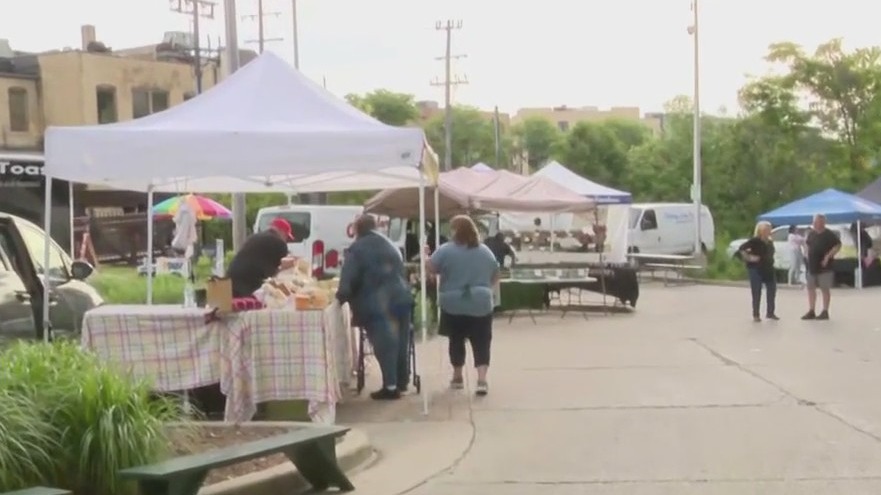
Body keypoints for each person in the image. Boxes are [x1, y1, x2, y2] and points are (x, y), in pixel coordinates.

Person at [336, 214, 413, 400]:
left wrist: (341, 296)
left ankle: (391, 386)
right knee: (402, 340)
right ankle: (402, 380)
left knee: (384, 343)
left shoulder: (358, 248)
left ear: (356, 229)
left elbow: (349, 277)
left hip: (377, 302)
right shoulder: (390, 244)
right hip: (401, 297)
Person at [427, 215, 500, 396]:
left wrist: (426, 255)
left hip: (453, 302)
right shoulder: (485, 251)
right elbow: (495, 273)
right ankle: (482, 380)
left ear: (455, 231)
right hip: (481, 302)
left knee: (456, 339)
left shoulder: (446, 250)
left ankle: (458, 376)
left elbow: (431, 267)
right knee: (482, 341)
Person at [227, 217, 295, 297]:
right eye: (286, 236)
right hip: (249, 283)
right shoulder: (279, 243)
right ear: (282, 232)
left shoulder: (255, 237)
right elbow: (282, 271)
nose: (286, 240)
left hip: (231, 278)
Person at [802, 214, 841, 320]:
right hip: (811, 265)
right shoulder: (811, 234)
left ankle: (825, 311)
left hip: (825, 266)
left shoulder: (829, 234)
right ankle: (811, 310)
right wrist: (806, 253)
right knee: (811, 289)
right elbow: (807, 244)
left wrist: (828, 256)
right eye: (814, 222)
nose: (815, 224)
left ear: (823, 222)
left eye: (817, 222)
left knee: (824, 289)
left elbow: (837, 245)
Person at [739, 221, 778, 322]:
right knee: (756, 291)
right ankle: (756, 314)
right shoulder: (755, 241)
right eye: (766, 230)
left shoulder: (769, 242)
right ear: (761, 231)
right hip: (756, 268)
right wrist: (749, 257)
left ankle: (770, 312)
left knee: (772, 289)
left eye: (769, 229)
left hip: (768, 267)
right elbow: (742, 249)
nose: (769, 231)